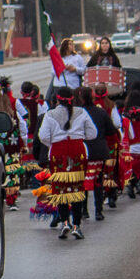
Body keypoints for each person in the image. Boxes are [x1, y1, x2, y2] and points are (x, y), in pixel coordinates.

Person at [38, 86, 97, 239]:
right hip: (78, 152)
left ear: (58, 99)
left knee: (60, 190)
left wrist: (54, 142)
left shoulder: (50, 114)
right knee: (77, 190)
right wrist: (79, 136)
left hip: (58, 153)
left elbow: (43, 136)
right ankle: (77, 225)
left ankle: (65, 222)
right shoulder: (81, 112)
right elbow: (93, 133)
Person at [0, 76, 27, 211]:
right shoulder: (15, 103)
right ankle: (11, 199)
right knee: (12, 171)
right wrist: (23, 143)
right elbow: (24, 123)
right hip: (11, 146)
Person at [77, 87, 118, 221]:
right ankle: (98, 211)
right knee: (98, 182)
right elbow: (111, 130)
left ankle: (84, 211)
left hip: (83, 151)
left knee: (82, 181)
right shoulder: (101, 112)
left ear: (81, 98)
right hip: (99, 151)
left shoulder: (77, 113)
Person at [93, 83, 122, 208]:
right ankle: (111, 195)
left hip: (96, 141)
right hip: (110, 141)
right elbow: (117, 123)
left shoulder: (91, 106)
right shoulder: (111, 105)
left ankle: (102, 193)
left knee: (99, 169)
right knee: (111, 169)